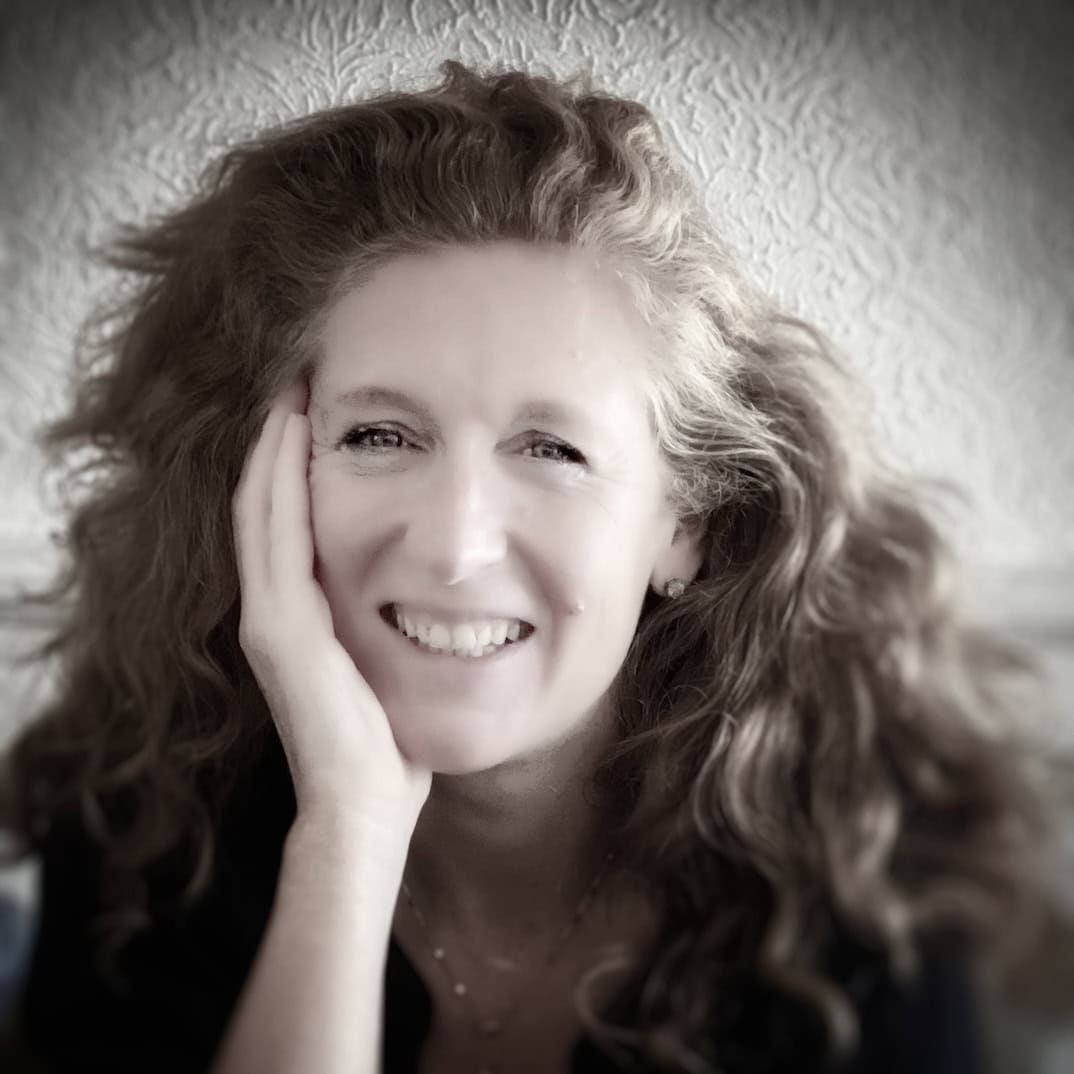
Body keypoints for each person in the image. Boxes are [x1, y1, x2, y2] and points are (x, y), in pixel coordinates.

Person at [1, 58, 1072, 1074]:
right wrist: (346, 837)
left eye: (552, 451)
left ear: (684, 528)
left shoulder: (857, 903)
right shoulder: (133, 851)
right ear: (264, 481)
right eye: (380, 435)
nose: (455, 547)